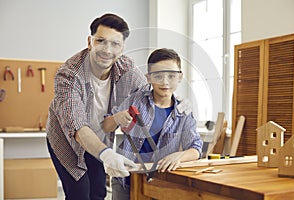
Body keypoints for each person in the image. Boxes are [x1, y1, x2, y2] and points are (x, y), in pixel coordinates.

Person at [46, 13, 150, 200]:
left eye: (115, 44)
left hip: (99, 138)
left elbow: (147, 96)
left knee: (98, 193)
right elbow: (76, 125)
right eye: (101, 41)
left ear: (122, 48)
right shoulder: (69, 75)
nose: (107, 50)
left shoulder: (126, 67)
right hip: (67, 140)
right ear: (90, 42)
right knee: (79, 194)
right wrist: (107, 154)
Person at [102, 48, 203, 200]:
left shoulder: (184, 111)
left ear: (180, 77)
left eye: (171, 76)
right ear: (148, 77)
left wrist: (179, 156)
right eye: (158, 76)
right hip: (126, 180)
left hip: (160, 182)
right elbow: (105, 126)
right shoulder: (135, 100)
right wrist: (116, 118)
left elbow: (196, 148)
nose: (165, 82)